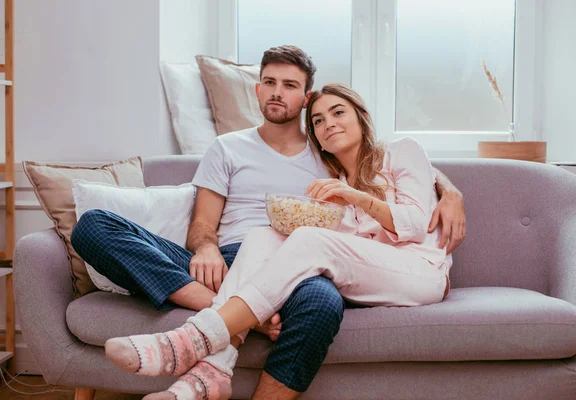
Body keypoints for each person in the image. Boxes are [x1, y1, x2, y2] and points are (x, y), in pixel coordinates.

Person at [71, 45, 466, 399]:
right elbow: (202, 223)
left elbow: (409, 181)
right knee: (94, 226)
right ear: (257, 90)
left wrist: (451, 192)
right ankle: (238, 325)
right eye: (270, 82)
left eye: (290, 85)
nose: (278, 92)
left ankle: (200, 341)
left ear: (305, 97)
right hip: (229, 260)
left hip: (308, 265)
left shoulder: (327, 157)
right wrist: (206, 248)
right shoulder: (230, 147)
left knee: (321, 299)